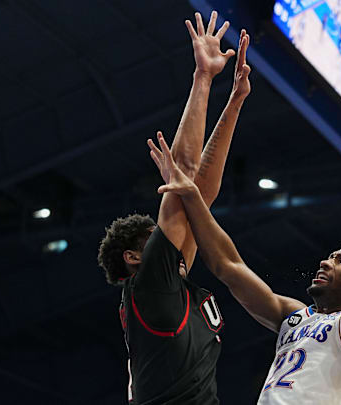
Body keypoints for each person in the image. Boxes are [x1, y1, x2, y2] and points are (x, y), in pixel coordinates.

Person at [148, 125, 341, 404]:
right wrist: (192, 195)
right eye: (331, 256)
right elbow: (228, 266)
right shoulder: (294, 318)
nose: (326, 261)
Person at [96, 11, 252, 405]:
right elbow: (184, 177)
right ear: (135, 257)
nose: (172, 234)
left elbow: (200, 195)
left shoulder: (168, 284)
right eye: (156, 236)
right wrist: (203, 77)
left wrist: (234, 102)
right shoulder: (149, 283)